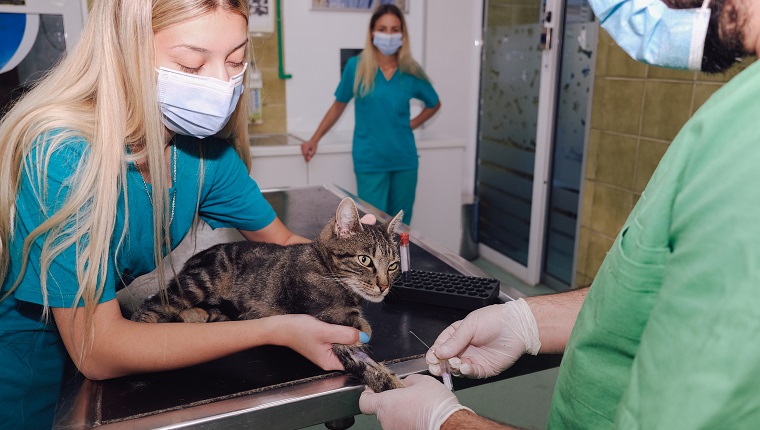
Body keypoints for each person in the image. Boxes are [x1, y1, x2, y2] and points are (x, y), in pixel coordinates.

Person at [360, 0, 760, 428]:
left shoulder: (747, 137)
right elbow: (657, 293)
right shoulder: (737, 108)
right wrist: (528, 321)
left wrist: (444, 421)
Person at [0, 1, 369, 428]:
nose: (220, 83)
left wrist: (355, 254)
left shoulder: (204, 155)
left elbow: (284, 244)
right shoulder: (61, 157)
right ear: (125, 49)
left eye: (236, 60)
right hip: (26, 369)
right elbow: (97, 350)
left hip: (106, 351)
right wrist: (277, 329)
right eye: (192, 66)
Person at [300, 4, 441, 225]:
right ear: (372, 33)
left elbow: (434, 103)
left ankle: (400, 261)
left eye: (395, 29)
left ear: (402, 34)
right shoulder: (356, 67)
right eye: (382, 29)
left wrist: (411, 124)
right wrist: (314, 139)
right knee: (371, 224)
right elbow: (338, 106)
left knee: (400, 225)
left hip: (404, 159)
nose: (389, 35)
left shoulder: (411, 71)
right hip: (370, 160)